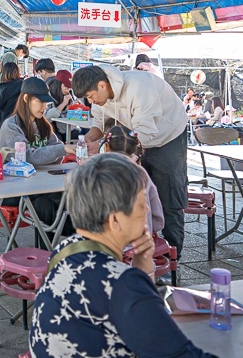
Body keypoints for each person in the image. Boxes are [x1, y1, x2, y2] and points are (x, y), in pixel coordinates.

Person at [29, 154, 235, 358]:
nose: (147, 209)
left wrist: (143, 266)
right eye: (141, 203)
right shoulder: (121, 282)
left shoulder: (66, 250)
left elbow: (138, 318)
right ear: (115, 220)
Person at [73, 63, 189, 254]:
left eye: (90, 96)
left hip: (167, 138)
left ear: (102, 85)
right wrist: (88, 140)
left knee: (168, 195)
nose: (90, 101)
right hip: (134, 139)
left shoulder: (139, 87)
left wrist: (104, 146)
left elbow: (146, 132)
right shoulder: (101, 96)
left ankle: (172, 255)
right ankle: (141, 249)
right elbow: (99, 123)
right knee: (136, 195)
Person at [0, 77, 69, 226]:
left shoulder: (43, 124)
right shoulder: (11, 126)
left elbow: (57, 156)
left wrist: (56, 151)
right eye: (40, 101)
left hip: (40, 184)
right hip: (16, 190)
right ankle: (77, 232)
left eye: (46, 103)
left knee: (67, 196)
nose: (44, 107)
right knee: (48, 206)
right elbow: (27, 158)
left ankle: (76, 231)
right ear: (26, 98)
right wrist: (61, 149)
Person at [99, 126, 164, 236]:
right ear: (135, 149)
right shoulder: (141, 173)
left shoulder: (98, 171)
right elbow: (157, 215)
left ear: (106, 147)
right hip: (140, 237)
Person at [0, 62, 24, 146]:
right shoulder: (23, 84)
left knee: (1, 148)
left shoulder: (4, 89)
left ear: (4, 73)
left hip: (5, 121)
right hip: (20, 120)